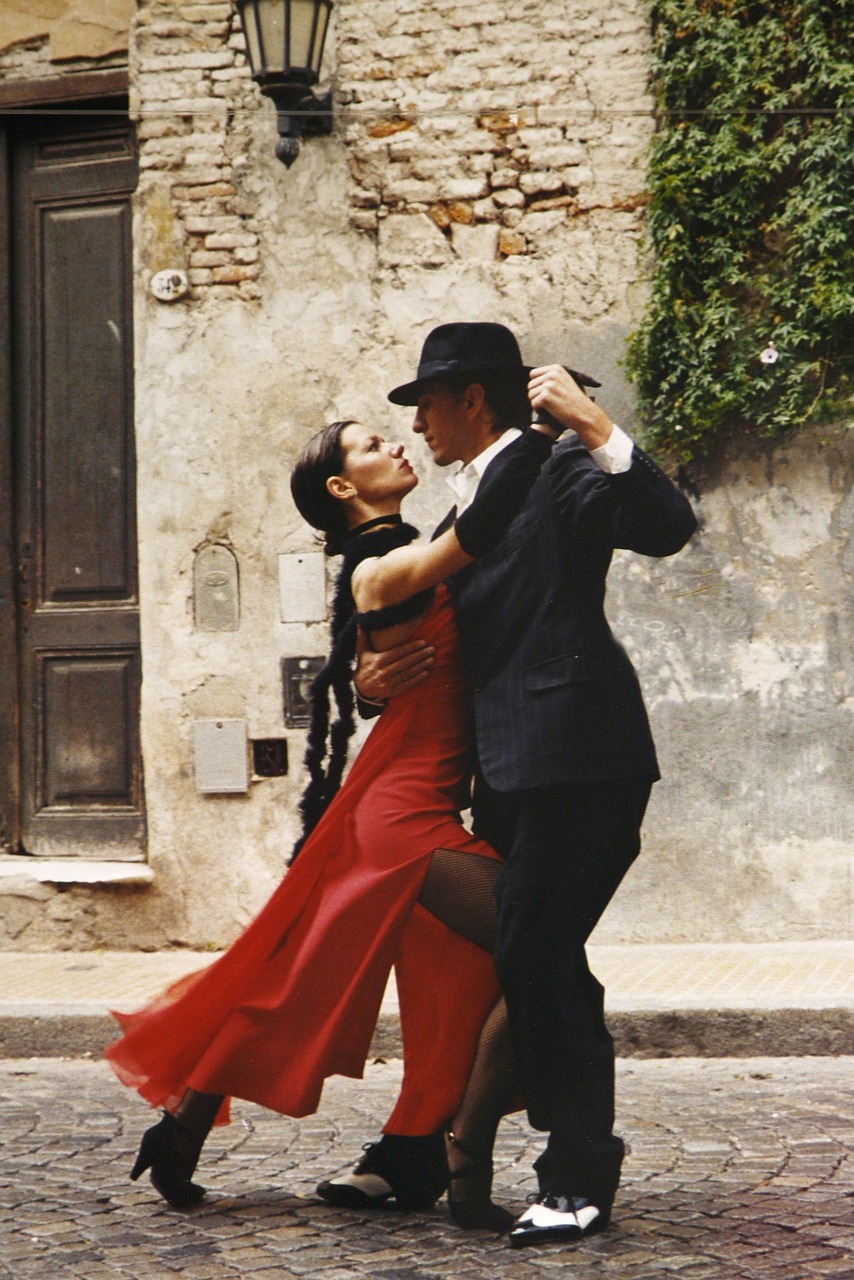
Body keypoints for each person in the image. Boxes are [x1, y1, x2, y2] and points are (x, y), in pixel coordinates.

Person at [104, 411, 561, 1229]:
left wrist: (368, 681)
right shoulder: (380, 561)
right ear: (344, 489)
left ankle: (216, 1129)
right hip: (406, 816)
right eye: (372, 445)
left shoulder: (390, 555)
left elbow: (381, 655)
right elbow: (478, 532)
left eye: (393, 435)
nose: (396, 443)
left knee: (397, 979)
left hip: (406, 797)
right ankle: (459, 1156)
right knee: (538, 939)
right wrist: (531, 432)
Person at [334, 322, 698, 1248]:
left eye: (425, 403)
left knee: (535, 950)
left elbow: (668, 528)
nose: (416, 422)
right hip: (501, 773)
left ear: (471, 400)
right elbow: (423, 637)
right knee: (537, 959)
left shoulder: (560, 469)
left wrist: (597, 427)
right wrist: (368, 682)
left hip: (581, 756)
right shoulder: (457, 506)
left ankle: (570, 1174)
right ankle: (448, 1146)